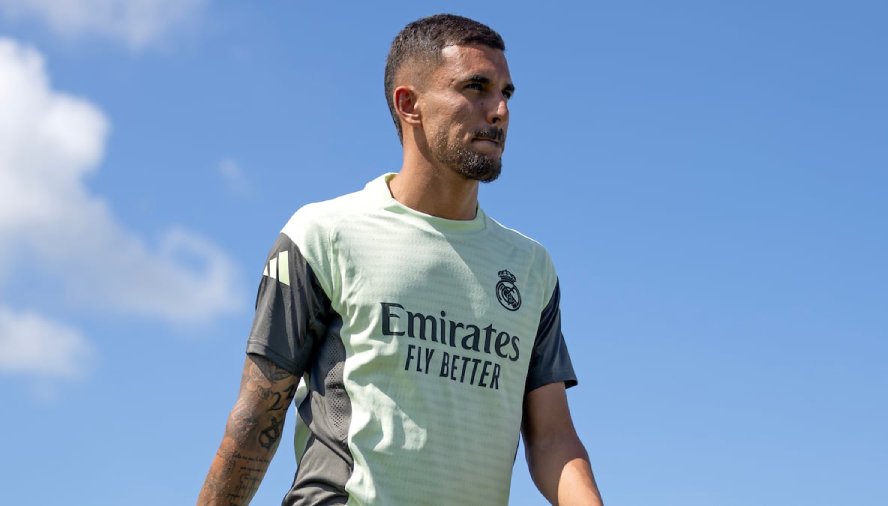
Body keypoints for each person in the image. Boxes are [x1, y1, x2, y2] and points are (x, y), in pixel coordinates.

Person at [198, 13, 603, 506]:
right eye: (476, 88)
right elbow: (256, 418)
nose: (499, 111)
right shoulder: (322, 234)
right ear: (409, 104)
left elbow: (552, 437)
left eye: (506, 94)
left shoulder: (531, 268)